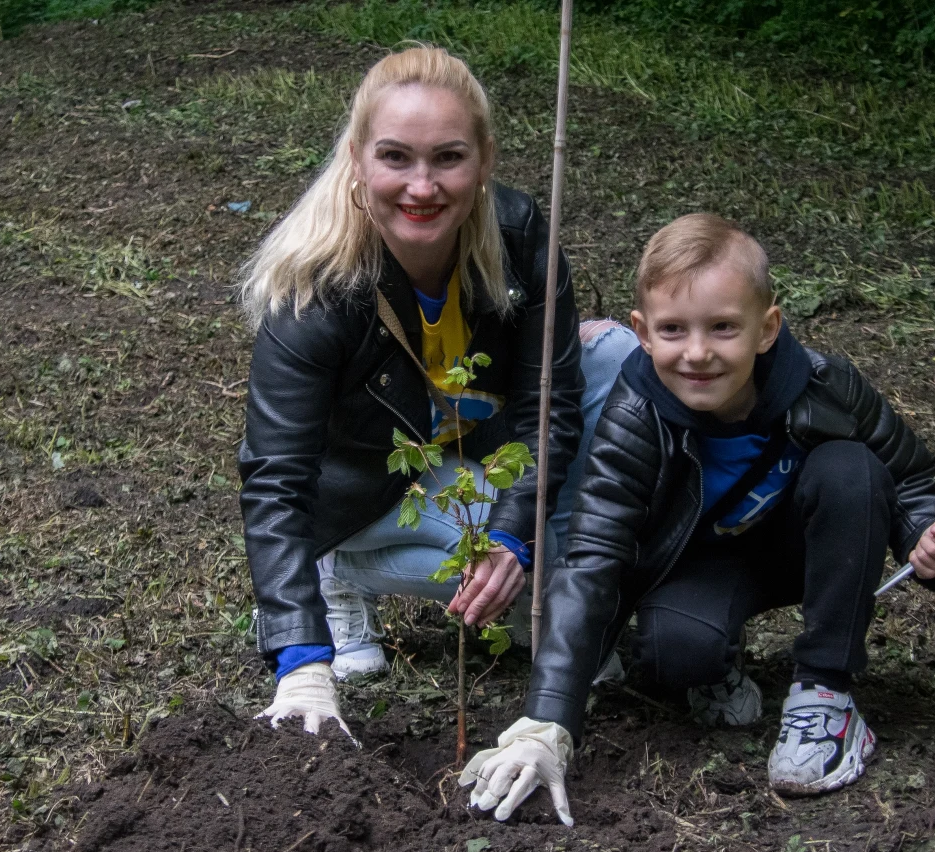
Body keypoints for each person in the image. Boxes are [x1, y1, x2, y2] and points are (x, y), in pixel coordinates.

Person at [459, 213, 935, 825]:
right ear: (642, 333)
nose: (697, 353)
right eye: (673, 329)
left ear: (766, 327)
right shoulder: (634, 415)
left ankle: (826, 693)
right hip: (699, 563)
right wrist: (547, 720)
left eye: (724, 328)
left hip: (806, 548)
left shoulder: (826, 386)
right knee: (677, 657)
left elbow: (909, 476)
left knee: (850, 468)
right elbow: (592, 553)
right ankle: (718, 660)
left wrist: (923, 537)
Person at [237, 45, 637, 734]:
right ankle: (336, 574)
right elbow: (277, 479)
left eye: (447, 157)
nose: (422, 186)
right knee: (482, 536)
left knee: (616, 355)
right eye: (396, 157)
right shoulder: (315, 287)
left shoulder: (519, 238)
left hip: (466, 449)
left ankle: (553, 602)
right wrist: (301, 660)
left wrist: (517, 541)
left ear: (484, 160)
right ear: (358, 159)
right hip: (362, 486)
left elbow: (555, 406)